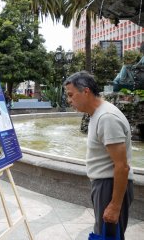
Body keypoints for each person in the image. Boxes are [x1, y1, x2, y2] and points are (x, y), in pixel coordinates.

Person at [63, 71, 134, 239]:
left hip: (110, 185)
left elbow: (122, 166)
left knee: (107, 236)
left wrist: (115, 206)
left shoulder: (106, 117)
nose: (69, 100)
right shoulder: (98, 114)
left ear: (86, 91)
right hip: (105, 184)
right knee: (104, 234)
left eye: (71, 95)